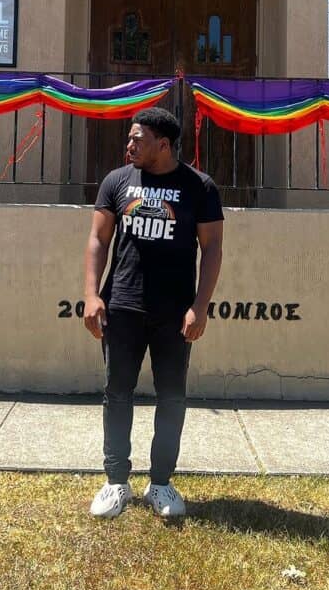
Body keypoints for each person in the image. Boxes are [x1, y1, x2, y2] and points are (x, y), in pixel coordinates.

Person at [83, 106, 224, 519]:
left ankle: (161, 482)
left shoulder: (199, 186)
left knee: (172, 397)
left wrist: (200, 306)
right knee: (117, 394)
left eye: (137, 139)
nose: (129, 145)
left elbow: (212, 248)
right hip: (122, 306)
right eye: (129, 138)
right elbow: (97, 239)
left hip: (173, 313)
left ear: (163, 145)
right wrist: (92, 295)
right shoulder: (117, 182)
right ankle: (115, 482)